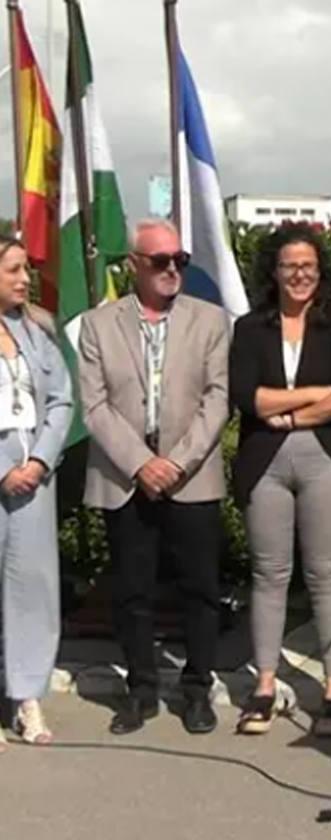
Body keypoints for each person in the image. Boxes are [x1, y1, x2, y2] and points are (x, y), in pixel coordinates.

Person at [78, 219, 230, 736]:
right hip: (126, 480)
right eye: (160, 262)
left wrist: (176, 463)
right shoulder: (100, 325)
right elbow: (94, 406)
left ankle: (196, 691)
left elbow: (217, 400)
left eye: (179, 261)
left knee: (201, 591)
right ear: (134, 266)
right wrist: (141, 464)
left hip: (192, 478)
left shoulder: (211, 321)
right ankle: (140, 691)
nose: (172, 270)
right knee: (132, 591)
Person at [229, 225, 331, 738]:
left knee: (327, 573)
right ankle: (264, 684)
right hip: (265, 461)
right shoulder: (250, 327)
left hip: (325, 458)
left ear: (319, 269)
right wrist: (312, 395)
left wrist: (289, 415)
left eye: (308, 265)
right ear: (274, 271)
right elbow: (250, 398)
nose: (299, 274)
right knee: (269, 574)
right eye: (289, 265)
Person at [0, 235, 73, 751]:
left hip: (33, 481)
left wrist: (40, 459)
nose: (26, 279)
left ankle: (27, 696)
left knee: (33, 592)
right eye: (13, 271)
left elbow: (63, 401)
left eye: (26, 269)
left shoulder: (37, 334)